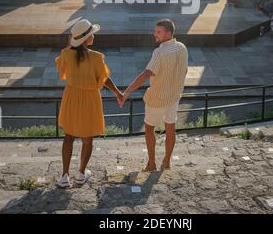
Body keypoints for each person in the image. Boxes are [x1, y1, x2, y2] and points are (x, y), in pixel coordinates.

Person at [55, 19, 123, 188]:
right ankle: (80, 174)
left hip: (71, 96)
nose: (94, 35)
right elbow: (105, 79)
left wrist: (70, 44)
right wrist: (118, 93)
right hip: (90, 99)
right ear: (87, 39)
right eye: (92, 34)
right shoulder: (96, 57)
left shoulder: (66, 54)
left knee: (68, 137)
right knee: (87, 139)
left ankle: (64, 176)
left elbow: (62, 68)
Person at [121, 19, 188, 172]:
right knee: (170, 129)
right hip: (174, 96)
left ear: (168, 34)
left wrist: (127, 91)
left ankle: (152, 163)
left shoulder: (159, 52)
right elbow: (184, 71)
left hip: (157, 98)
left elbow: (146, 74)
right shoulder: (182, 48)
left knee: (149, 129)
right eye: (155, 31)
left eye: (158, 32)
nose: (154, 34)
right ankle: (167, 162)